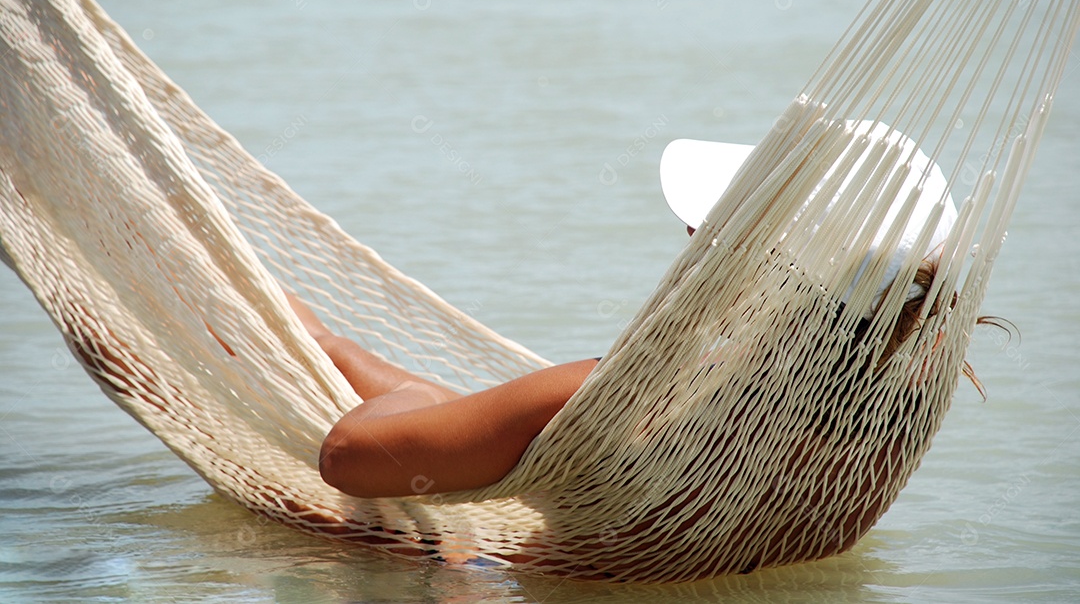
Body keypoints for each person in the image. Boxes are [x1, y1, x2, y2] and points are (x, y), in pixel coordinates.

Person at [310, 123, 962, 499]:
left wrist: (413, 392)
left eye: (718, 237)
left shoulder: (618, 405)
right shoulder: (893, 424)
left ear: (766, 275)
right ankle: (323, 343)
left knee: (362, 389)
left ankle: (321, 345)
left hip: (494, 573)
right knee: (350, 357)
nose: (691, 240)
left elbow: (345, 458)